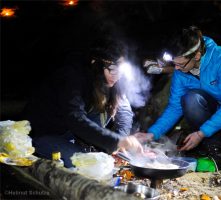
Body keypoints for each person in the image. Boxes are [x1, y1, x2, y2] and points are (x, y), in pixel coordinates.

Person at [139, 26, 221, 175]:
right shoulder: (181, 72)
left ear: (196, 56)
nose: (176, 69)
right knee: (190, 98)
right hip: (213, 118)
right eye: (174, 64)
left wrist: (201, 133)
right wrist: (152, 134)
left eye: (180, 64)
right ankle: (214, 151)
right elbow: (174, 107)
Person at [23, 38, 143, 167]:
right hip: (48, 132)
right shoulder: (72, 76)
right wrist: (116, 141)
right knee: (87, 165)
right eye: (113, 69)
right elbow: (74, 118)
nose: (117, 75)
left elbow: (124, 111)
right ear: (95, 63)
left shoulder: (114, 75)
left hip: (76, 133)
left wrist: (120, 140)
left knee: (99, 155)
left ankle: (90, 147)